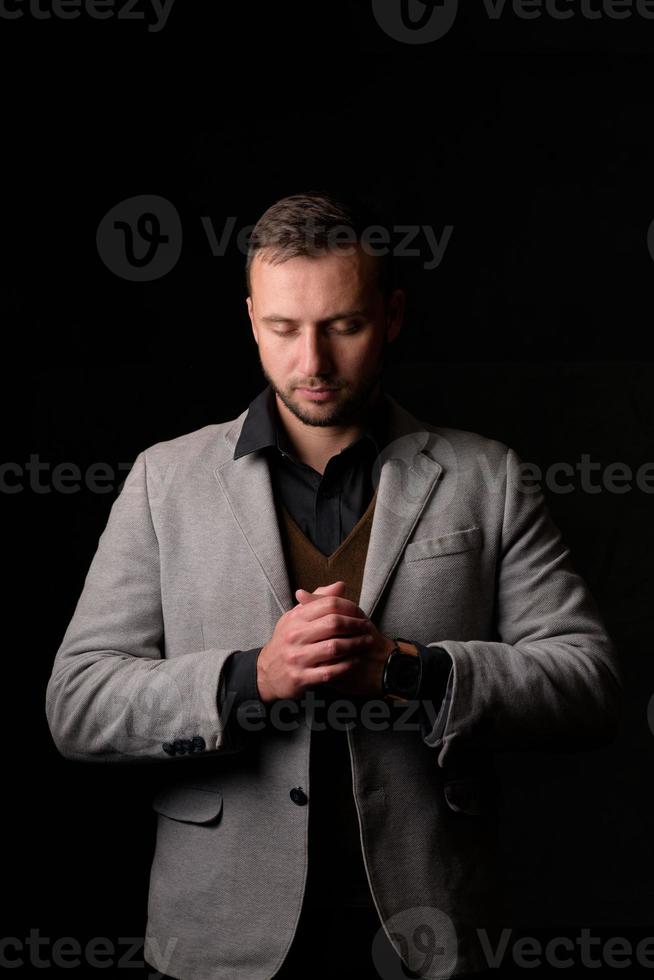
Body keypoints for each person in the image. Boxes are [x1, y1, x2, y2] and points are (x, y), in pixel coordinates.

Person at [45, 192, 622, 980]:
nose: (311, 361)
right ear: (251, 319)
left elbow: (588, 682)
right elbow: (77, 703)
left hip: (431, 928)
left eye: (342, 326)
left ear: (391, 315)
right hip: (219, 936)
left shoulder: (486, 477)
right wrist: (250, 679)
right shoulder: (164, 480)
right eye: (284, 329)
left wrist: (415, 671)